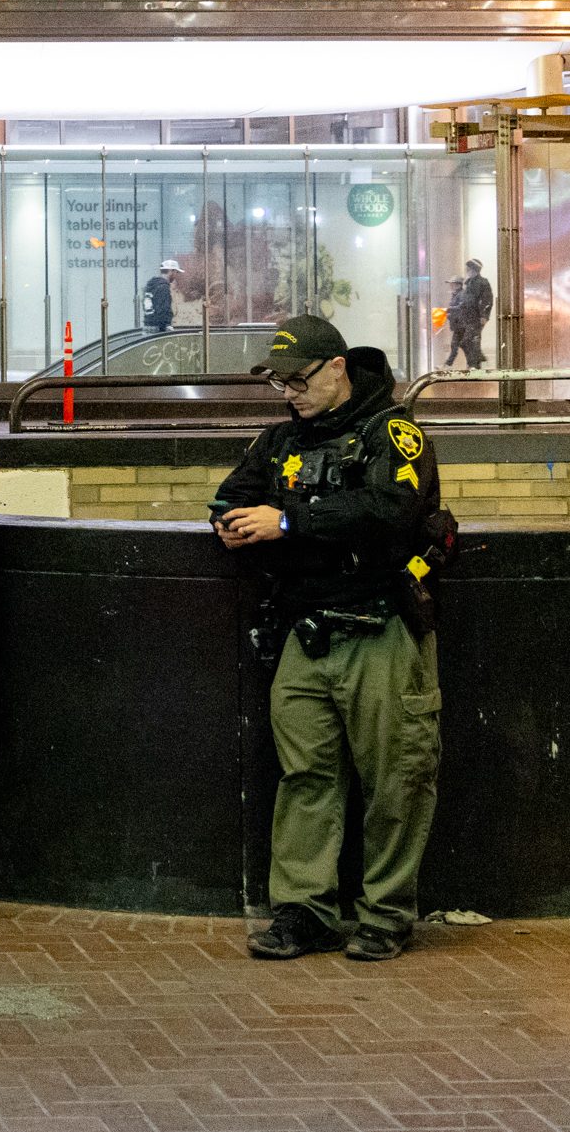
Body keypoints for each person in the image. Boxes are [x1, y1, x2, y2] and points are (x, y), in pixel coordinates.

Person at [212, 314, 443, 964]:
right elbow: (229, 498)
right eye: (279, 381)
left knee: (396, 779)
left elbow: (388, 510)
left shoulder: (392, 431)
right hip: (306, 632)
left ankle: (387, 913)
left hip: (379, 629)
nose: (290, 391)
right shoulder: (280, 439)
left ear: (338, 368)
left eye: (300, 378)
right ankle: (306, 912)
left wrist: (287, 518)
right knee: (305, 778)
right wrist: (229, 523)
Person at [454, 260, 492, 370]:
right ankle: (477, 361)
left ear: (474, 269)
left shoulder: (483, 283)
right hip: (467, 317)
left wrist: (484, 316)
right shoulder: (468, 282)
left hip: (477, 317)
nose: (466, 271)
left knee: (469, 340)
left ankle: (474, 363)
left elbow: (487, 300)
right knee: (469, 341)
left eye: (468, 269)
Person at [142, 259, 181, 333]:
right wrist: (167, 326)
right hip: (158, 329)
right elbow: (163, 309)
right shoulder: (163, 287)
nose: (176, 275)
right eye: (176, 272)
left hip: (147, 325)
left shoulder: (151, 285)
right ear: (171, 271)